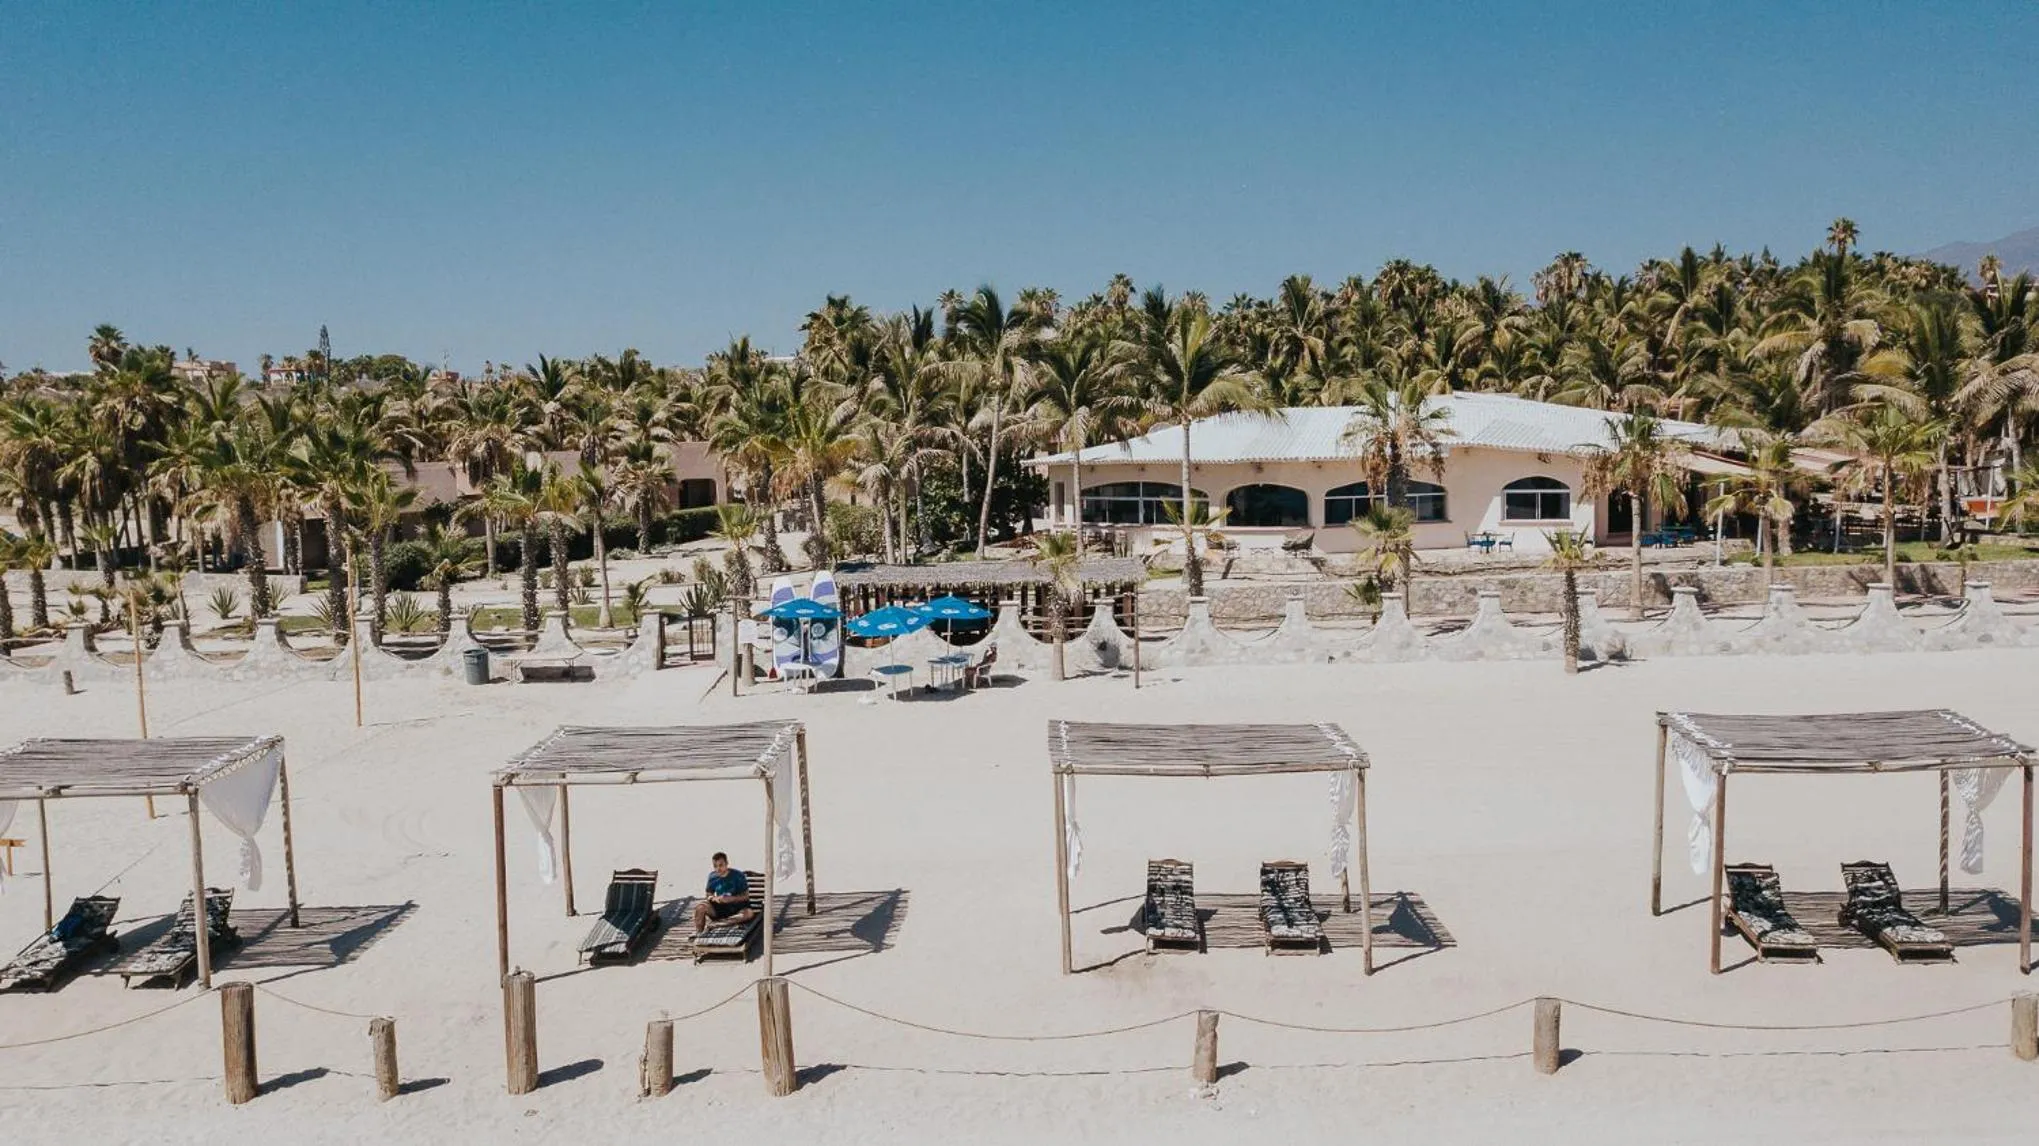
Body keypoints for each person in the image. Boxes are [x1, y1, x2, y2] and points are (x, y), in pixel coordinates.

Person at [691, 852, 753, 934]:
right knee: (700, 908)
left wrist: (732, 899)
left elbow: (746, 896)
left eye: (721, 865)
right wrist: (715, 898)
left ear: (727, 864)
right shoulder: (712, 877)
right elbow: (708, 894)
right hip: (721, 907)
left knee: (749, 913)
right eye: (715, 866)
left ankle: (720, 924)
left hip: (737, 907)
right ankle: (698, 933)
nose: (718, 869)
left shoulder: (738, 875)